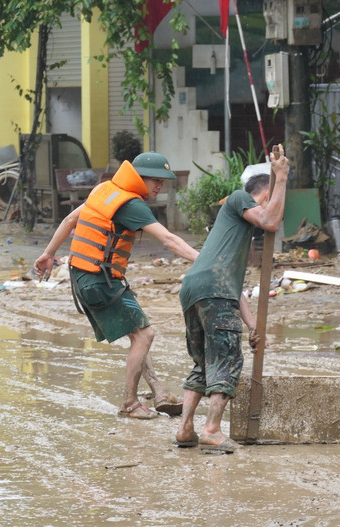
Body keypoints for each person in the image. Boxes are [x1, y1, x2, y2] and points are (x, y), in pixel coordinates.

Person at [34, 152, 199, 419]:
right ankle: (130, 404)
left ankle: (158, 392)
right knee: (144, 335)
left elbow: (69, 220)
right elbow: (168, 240)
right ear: (139, 178)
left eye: (163, 181)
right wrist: (204, 261)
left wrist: (48, 253)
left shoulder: (104, 188)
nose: (160, 186)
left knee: (138, 333)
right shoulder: (132, 205)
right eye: (155, 180)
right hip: (99, 280)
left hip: (86, 276)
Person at [174, 144, 290, 452]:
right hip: (211, 288)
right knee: (227, 358)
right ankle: (211, 429)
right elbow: (271, 220)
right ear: (262, 194)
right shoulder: (241, 199)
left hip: (198, 288)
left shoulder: (236, 233)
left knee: (204, 361)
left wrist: (252, 325)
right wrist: (282, 176)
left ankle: (185, 429)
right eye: (272, 198)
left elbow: (232, 288)